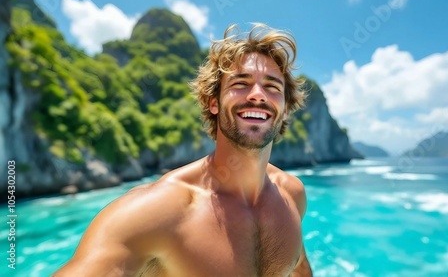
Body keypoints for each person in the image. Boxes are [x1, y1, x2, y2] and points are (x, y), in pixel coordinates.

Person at [54, 23, 312, 277]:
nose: (258, 95)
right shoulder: (156, 212)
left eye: (272, 86)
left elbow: (299, 269)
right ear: (214, 103)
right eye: (240, 83)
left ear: (285, 108)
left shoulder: (291, 195)